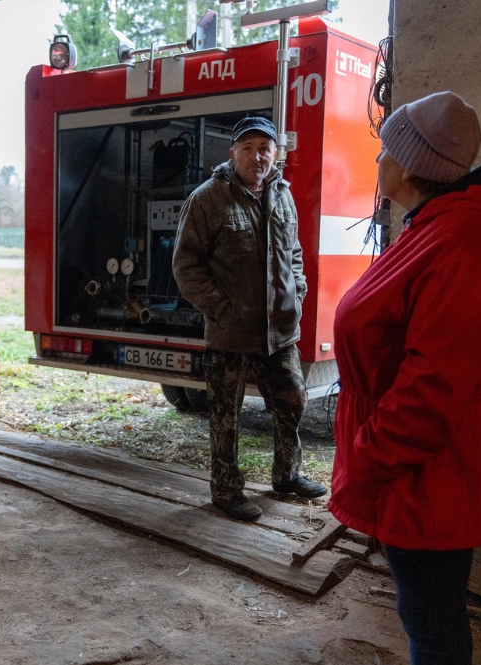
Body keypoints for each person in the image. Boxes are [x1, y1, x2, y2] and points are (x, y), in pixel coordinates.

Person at [329, 92, 481, 663]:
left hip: (430, 465)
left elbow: (432, 386)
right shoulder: (438, 226)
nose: (377, 161)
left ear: (407, 166)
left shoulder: (466, 240)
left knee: (431, 615)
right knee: (424, 607)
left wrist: (368, 456)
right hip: (419, 464)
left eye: (384, 150)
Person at [173, 116, 327, 522]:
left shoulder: (282, 195)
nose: (256, 157)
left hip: (279, 330)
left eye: (264, 149)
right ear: (232, 153)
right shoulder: (208, 199)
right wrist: (220, 308)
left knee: (293, 400)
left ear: (275, 155)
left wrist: (297, 290)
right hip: (230, 333)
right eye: (248, 148)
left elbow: (293, 252)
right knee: (227, 415)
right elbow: (186, 264)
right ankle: (226, 489)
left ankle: (286, 475)